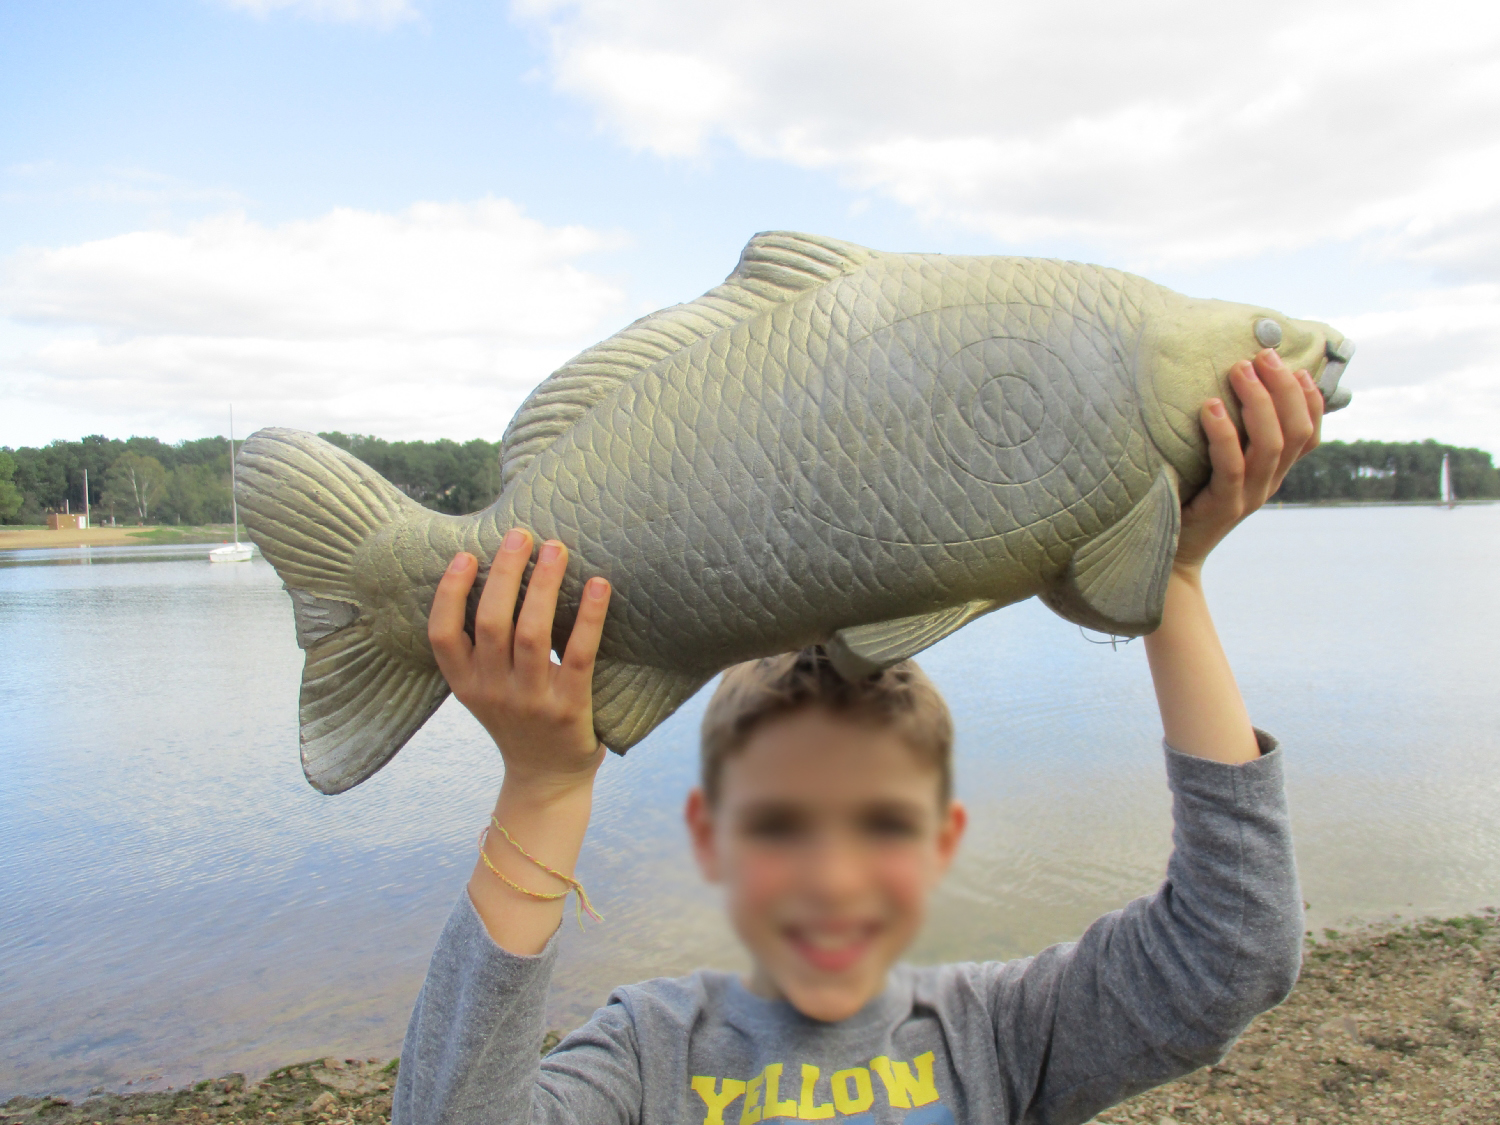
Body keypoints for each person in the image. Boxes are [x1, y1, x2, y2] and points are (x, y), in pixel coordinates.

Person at [394, 348, 1323, 1125]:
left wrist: (1177, 577)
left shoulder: (1001, 1033)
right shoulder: (648, 1054)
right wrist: (544, 789)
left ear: (943, 839)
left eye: (880, 825)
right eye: (780, 827)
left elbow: (1232, 952)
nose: (831, 877)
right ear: (711, 834)